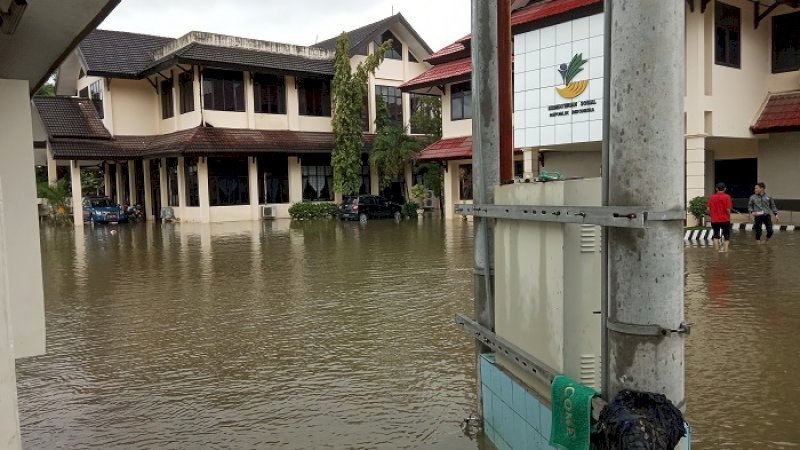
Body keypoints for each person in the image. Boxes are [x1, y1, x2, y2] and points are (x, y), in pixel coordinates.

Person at [708, 182, 733, 252]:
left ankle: (716, 252)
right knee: (726, 237)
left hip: (714, 220)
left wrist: (712, 215)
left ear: (716, 189)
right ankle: (725, 251)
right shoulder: (727, 197)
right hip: (725, 220)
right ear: (725, 189)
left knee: (715, 235)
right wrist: (729, 215)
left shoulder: (712, 197)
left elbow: (708, 209)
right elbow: (728, 209)